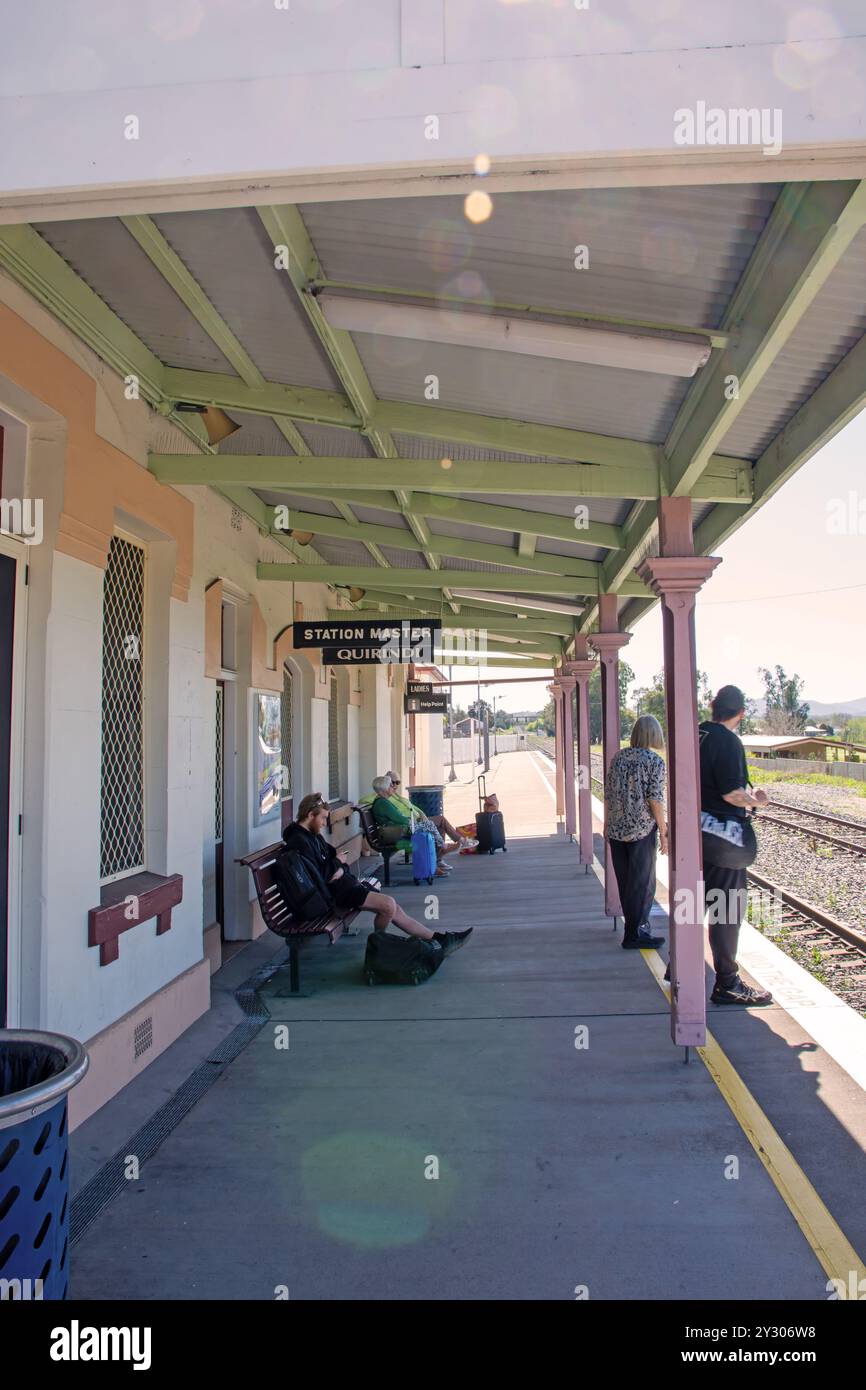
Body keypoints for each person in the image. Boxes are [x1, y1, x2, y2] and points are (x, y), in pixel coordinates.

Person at [282, 793, 471, 956]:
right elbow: (324, 874)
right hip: (334, 895)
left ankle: (439, 939)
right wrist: (338, 865)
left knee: (393, 907)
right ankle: (378, 947)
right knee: (388, 905)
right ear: (309, 815)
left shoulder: (312, 836)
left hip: (343, 885)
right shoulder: (299, 842)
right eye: (322, 818)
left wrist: (339, 867)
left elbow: (337, 860)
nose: (324, 823)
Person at [699, 686, 772, 1007]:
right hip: (723, 837)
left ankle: (679, 964)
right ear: (740, 713)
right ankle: (727, 983)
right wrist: (755, 802)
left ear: (714, 708)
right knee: (727, 910)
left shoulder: (697, 733)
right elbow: (731, 793)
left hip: (695, 832)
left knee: (694, 903)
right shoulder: (727, 741)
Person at [604, 715, 668, 950]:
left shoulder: (618, 758)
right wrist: (663, 830)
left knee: (625, 882)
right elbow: (655, 799)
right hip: (640, 831)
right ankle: (636, 932)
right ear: (654, 735)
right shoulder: (654, 761)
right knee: (642, 884)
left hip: (616, 830)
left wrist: (606, 825)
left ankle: (632, 931)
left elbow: (609, 793)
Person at [369, 775, 459, 877]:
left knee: (427, 827)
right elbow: (399, 819)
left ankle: (437, 858)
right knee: (427, 826)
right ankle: (441, 850)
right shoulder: (382, 803)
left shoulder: (383, 801)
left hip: (398, 829)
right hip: (396, 831)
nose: (392, 787)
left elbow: (399, 817)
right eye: (390, 785)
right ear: (384, 789)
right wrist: (412, 821)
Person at [384, 771, 477, 849]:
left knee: (440, 824)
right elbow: (373, 800)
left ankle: (439, 858)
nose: (395, 785)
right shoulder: (384, 798)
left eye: (398, 782)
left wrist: (422, 814)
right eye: (393, 782)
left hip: (418, 820)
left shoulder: (397, 796)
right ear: (386, 783)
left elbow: (413, 807)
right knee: (440, 820)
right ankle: (459, 842)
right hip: (410, 825)